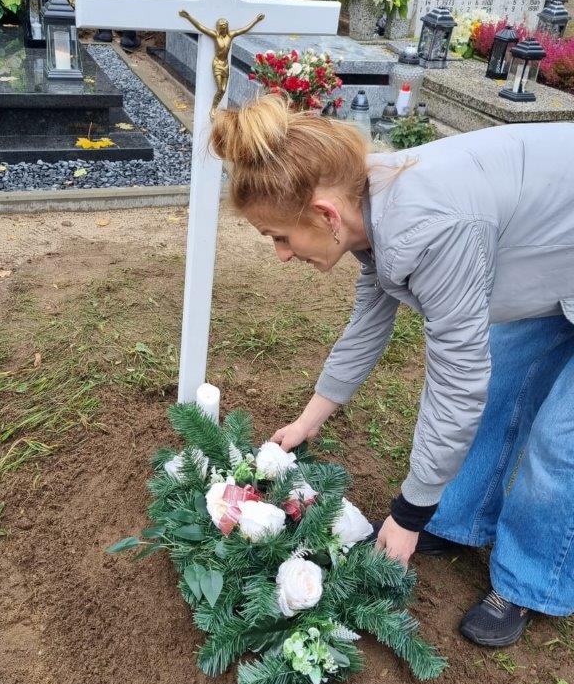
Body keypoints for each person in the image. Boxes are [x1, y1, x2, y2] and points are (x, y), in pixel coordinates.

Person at [210, 94, 574, 649]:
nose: (281, 254)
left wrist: (406, 513)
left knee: (560, 441)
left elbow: (456, 384)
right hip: (557, 250)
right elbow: (366, 326)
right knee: (506, 381)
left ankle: (530, 579)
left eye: (280, 236)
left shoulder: (434, 228)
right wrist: (309, 420)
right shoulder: (367, 200)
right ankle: (456, 520)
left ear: (327, 216)